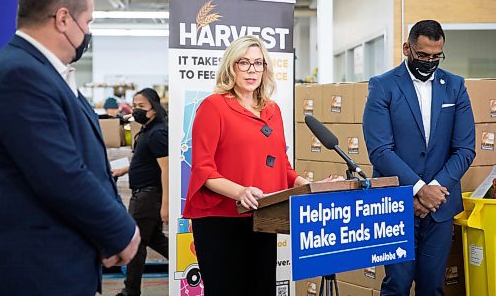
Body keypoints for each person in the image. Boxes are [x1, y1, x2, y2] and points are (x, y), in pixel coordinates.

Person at [0, 0, 140, 296]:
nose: (88, 32)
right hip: (38, 271)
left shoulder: (46, 74)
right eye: (87, 22)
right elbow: (60, 174)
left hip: (61, 263)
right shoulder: (21, 74)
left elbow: (86, 165)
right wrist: (122, 231)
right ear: (63, 19)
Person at [183, 35, 338, 296]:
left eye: (258, 63)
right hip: (221, 220)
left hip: (265, 217)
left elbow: (283, 167)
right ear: (231, 67)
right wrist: (241, 192)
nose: (252, 70)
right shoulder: (213, 107)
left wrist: (308, 186)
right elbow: (203, 170)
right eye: (244, 63)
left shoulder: (272, 110)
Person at [362, 20, 475, 295]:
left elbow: (465, 149)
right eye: (423, 55)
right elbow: (380, 150)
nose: (429, 61)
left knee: (432, 287)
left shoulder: (455, 86)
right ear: (407, 49)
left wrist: (434, 191)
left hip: (440, 205)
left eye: (436, 56)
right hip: (397, 202)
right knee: (397, 285)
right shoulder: (382, 86)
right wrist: (419, 190)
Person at [112, 88, 169, 296]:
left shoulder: (158, 133)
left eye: (141, 106)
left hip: (148, 196)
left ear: (154, 109)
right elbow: (143, 161)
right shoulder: (146, 130)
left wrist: (166, 205)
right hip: (144, 194)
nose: (136, 110)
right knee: (154, 239)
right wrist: (124, 169)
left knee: (135, 241)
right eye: (134, 105)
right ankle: (197, 264)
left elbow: (167, 169)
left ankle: (131, 290)